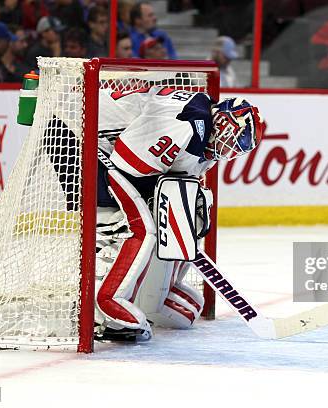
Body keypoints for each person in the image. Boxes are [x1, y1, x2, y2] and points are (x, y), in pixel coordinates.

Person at [69, 87, 263, 341]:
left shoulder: (205, 134)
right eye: (229, 142)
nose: (227, 152)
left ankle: (126, 291)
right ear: (223, 124)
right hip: (76, 135)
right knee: (140, 229)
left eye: (234, 149)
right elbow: (128, 163)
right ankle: (105, 302)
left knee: (179, 213)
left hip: (106, 147)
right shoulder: (187, 125)